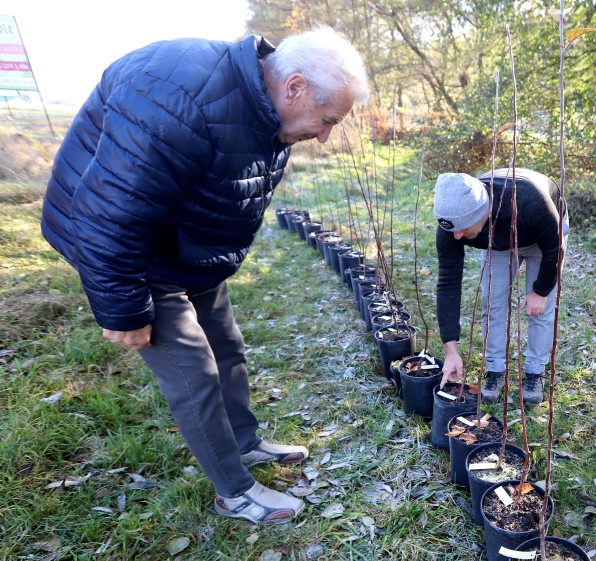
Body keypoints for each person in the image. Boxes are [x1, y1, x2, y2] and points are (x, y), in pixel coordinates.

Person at [41, 26, 369, 525]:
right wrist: (123, 308)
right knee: (194, 374)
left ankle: (244, 442)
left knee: (227, 345)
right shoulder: (177, 96)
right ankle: (234, 492)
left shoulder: (265, 106)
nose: (324, 137)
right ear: (295, 86)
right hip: (133, 251)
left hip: (184, 245)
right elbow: (110, 212)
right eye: (326, 121)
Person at [434, 168, 568, 405]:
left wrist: (540, 291)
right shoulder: (452, 225)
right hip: (499, 242)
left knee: (541, 309)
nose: (457, 237)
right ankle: (495, 370)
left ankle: (535, 372)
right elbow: (448, 283)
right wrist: (450, 350)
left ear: (482, 211)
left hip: (544, 238)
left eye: (463, 228)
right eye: (452, 230)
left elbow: (554, 248)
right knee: (493, 302)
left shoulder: (530, 200)